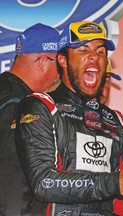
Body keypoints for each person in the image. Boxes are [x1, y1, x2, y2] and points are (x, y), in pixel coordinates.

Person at [16, 21, 123, 216]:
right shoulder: (40, 106)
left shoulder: (122, 123)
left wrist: (120, 185)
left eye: (101, 51)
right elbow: (43, 182)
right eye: (83, 50)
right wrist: (115, 183)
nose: (94, 56)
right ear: (63, 60)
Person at [0, 23, 59, 215]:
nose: (59, 75)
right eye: (58, 66)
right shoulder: (21, 103)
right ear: (43, 61)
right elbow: (12, 174)